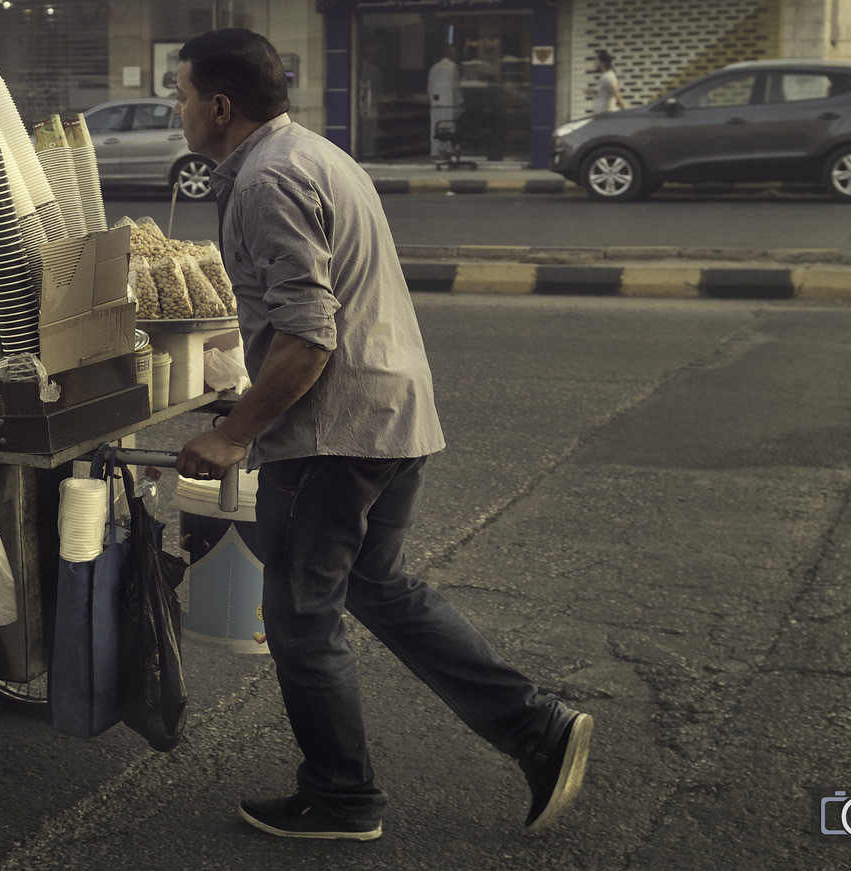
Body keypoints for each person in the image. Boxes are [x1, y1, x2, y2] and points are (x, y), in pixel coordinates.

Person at [171, 28, 594, 842]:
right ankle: (536, 727)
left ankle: (341, 796)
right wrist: (243, 372)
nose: (178, 109)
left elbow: (309, 336)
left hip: (334, 432)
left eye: (183, 95)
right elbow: (312, 308)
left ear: (220, 106)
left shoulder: (265, 179)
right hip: (395, 412)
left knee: (298, 615)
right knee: (378, 587)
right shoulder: (316, 155)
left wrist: (236, 433)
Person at [427, 46, 460, 156]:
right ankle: (448, 148)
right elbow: (456, 86)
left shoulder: (434, 68)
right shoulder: (452, 67)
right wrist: (460, 100)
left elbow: (430, 86)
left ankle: (435, 150)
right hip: (448, 101)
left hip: (435, 102)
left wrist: (431, 99)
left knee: (435, 127)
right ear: (451, 55)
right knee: (448, 126)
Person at [593, 49, 627, 115]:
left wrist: (628, 114)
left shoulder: (608, 77)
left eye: (596, 61)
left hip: (606, 116)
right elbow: (604, 91)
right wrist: (592, 91)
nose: (594, 63)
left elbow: (617, 96)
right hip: (601, 115)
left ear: (602, 63)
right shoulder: (604, 76)